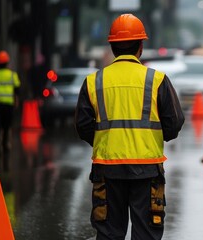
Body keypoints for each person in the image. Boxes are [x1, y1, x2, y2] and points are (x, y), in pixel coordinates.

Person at [74, 13, 185, 240]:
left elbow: (83, 126)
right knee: (146, 233)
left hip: (107, 169)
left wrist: (106, 142)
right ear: (141, 46)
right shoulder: (157, 80)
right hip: (147, 169)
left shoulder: (93, 81)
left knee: (109, 233)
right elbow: (174, 124)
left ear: (112, 46)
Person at [0, 50, 21, 172]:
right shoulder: (12, 75)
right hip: (8, 105)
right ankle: (6, 144)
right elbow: (17, 90)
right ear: (7, 62)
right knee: (7, 126)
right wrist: (16, 101)